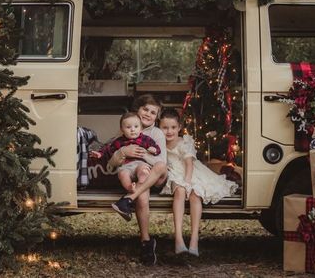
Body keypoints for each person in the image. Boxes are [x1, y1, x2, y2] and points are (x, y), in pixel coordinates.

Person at [158, 108, 238, 256]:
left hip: (191, 172)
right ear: (159, 127)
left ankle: (194, 239)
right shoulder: (159, 142)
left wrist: (188, 182)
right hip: (174, 173)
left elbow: (189, 164)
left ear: (179, 128)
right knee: (180, 192)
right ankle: (179, 239)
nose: (169, 131)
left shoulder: (184, 142)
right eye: (165, 127)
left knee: (195, 193)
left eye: (173, 127)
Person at [108, 94, 167, 265]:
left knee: (160, 167)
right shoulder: (127, 128)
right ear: (137, 110)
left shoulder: (157, 133)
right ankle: (146, 242)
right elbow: (110, 166)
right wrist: (122, 153)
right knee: (142, 191)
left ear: (157, 117)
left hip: (156, 176)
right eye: (145, 109)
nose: (148, 114)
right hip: (137, 178)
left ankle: (127, 200)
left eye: (153, 112)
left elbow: (160, 161)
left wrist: (141, 151)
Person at [90, 112, 160, 194]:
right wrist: (100, 154)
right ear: (122, 129)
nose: (132, 130)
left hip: (140, 163)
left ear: (141, 128)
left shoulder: (145, 139)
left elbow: (156, 148)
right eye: (128, 127)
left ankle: (142, 179)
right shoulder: (119, 141)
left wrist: (154, 149)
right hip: (126, 165)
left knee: (143, 169)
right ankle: (130, 187)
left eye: (136, 126)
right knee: (122, 174)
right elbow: (108, 149)